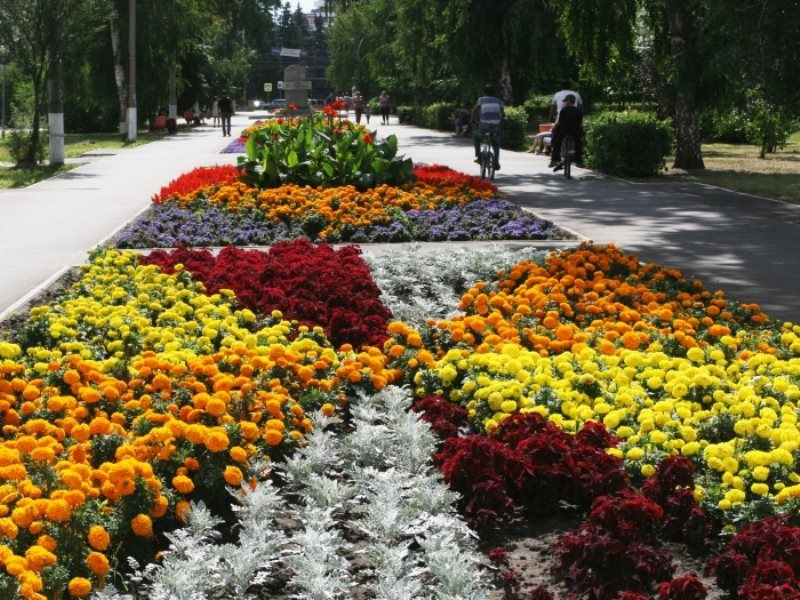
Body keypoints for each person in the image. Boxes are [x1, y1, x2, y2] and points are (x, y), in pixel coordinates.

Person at [472, 84, 504, 170]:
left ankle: (479, 156)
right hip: (496, 127)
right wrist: (501, 122)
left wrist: (473, 120)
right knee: (496, 144)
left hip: (484, 126)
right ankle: (496, 161)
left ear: (484, 92)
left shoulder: (481, 100)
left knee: (476, 137)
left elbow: (475, 111)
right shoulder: (498, 100)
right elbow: (503, 114)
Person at [548, 93, 584, 169]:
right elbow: (579, 123)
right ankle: (579, 161)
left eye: (565, 101)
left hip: (564, 131)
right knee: (579, 143)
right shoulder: (578, 111)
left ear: (569, 101)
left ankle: (554, 159)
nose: (564, 103)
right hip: (575, 131)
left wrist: (555, 126)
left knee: (557, 142)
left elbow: (560, 122)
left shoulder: (564, 110)